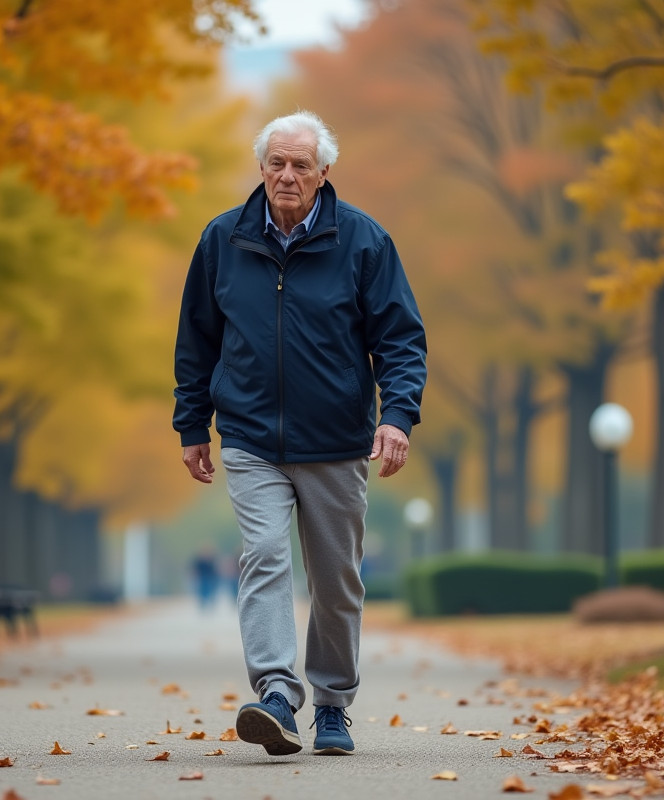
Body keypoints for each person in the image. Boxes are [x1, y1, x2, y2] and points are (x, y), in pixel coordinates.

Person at [172, 110, 427, 757]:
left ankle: (333, 705)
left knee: (336, 578)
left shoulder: (364, 242)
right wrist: (191, 423)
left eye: (301, 165)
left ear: (323, 174)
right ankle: (278, 695)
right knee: (263, 556)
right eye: (277, 163)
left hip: (338, 442)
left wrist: (396, 416)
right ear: (260, 168)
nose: (288, 175)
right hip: (252, 438)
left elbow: (400, 339)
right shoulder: (222, 240)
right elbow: (196, 341)